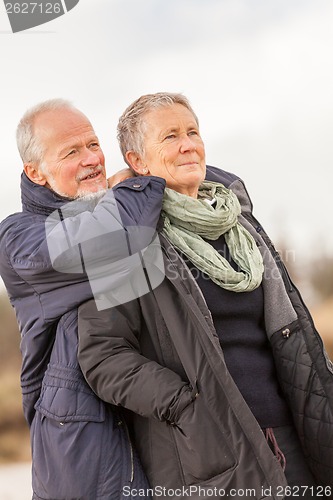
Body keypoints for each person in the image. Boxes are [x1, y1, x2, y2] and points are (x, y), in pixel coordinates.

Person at [78, 93, 333, 500]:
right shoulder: (126, 241)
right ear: (138, 161)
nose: (188, 145)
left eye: (193, 132)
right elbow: (103, 357)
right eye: (170, 136)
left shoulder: (240, 225)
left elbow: (289, 331)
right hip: (213, 450)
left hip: (293, 432)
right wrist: (186, 406)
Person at [0, 98, 166, 499]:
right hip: (80, 447)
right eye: (71, 151)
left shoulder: (118, 206)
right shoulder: (18, 239)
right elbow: (120, 236)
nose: (91, 159)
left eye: (93, 144)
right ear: (35, 172)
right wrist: (139, 180)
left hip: (153, 421)